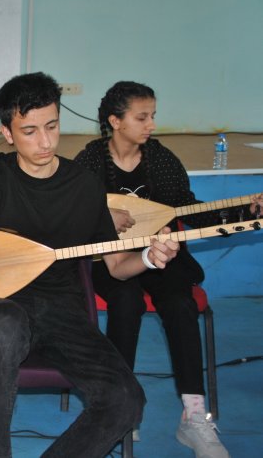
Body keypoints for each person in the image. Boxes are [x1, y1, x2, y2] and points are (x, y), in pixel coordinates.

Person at [0, 72, 180, 457]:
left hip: (62, 308)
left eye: (52, 126)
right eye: (29, 131)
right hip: (1, 300)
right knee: (5, 326)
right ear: (8, 133)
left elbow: (116, 266)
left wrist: (149, 257)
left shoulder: (84, 185)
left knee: (126, 400)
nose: (45, 142)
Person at [74, 81, 263, 458]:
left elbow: (189, 209)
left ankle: (193, 416)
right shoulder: (91, 161)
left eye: (153, 116)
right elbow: (71, 214)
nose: (152, 125)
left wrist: (245, 212)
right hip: (110, 261)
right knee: (126, 300)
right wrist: (101, 215)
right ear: (115, 121)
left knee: (179, 303)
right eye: (142, 117)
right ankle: (120, 407)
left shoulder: (160, 160)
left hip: (163, 253)